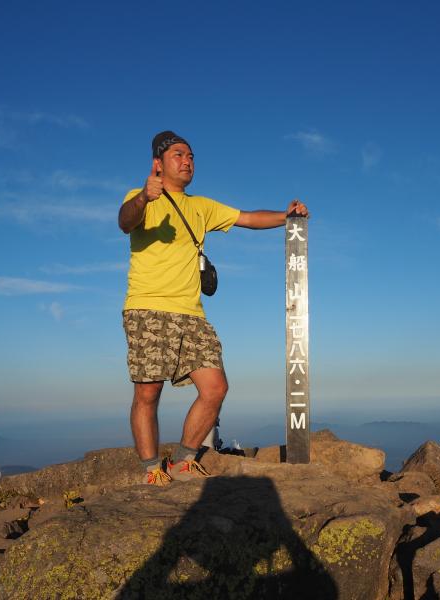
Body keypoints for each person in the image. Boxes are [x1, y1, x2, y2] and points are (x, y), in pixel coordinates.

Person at [118, 131, 309, 486]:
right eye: (178, 155)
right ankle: (151, 470)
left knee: (215, 388)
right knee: (148, 391)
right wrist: (144, 196)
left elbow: (248, 218)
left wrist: (287, 216)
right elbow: (125, 221)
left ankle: (183, 462)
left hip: (192, 313)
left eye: (191, 156)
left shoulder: (201, 206)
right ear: (158, 164)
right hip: (148, 307)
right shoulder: (140, 197)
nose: (187, 161)